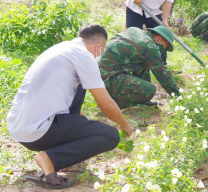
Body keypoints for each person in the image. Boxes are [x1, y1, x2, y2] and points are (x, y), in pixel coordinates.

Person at [7, 24, 133, 189]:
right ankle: (49, 160)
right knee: (110, 136)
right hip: (39, 131)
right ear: (99, 48)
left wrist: (82, 127)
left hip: (20, 128)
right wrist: (125, 125)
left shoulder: (62, 49)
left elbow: (65, 95)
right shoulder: (83, 56)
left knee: (81, 86)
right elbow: (105, 104)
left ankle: (56, 155)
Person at [99, 26, 179, 109]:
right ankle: (117, 102)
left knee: (144, 63)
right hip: (110, 79)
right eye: (165, 46)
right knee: (150, 90)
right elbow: (163, 74)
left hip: (103, 73)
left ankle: (140, 100)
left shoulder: (135, 31)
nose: (163, 49)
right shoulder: (149, 46)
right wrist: (178, 96)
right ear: (160, 39)